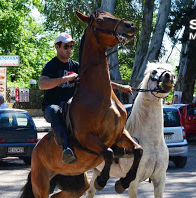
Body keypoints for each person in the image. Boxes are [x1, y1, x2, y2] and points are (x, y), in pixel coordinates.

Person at [38, 32, 132, 165]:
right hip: (54, 106)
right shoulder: (51, 66)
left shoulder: (76, 66)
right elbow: (42, 84)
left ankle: (114, 145)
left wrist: (120, 87)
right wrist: (65, 79)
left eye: (71, 47)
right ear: (57, 47)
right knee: (54, 111)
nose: (69, 50)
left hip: (73, 105)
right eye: (66, 47)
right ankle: (66, 149)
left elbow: (99, 81)